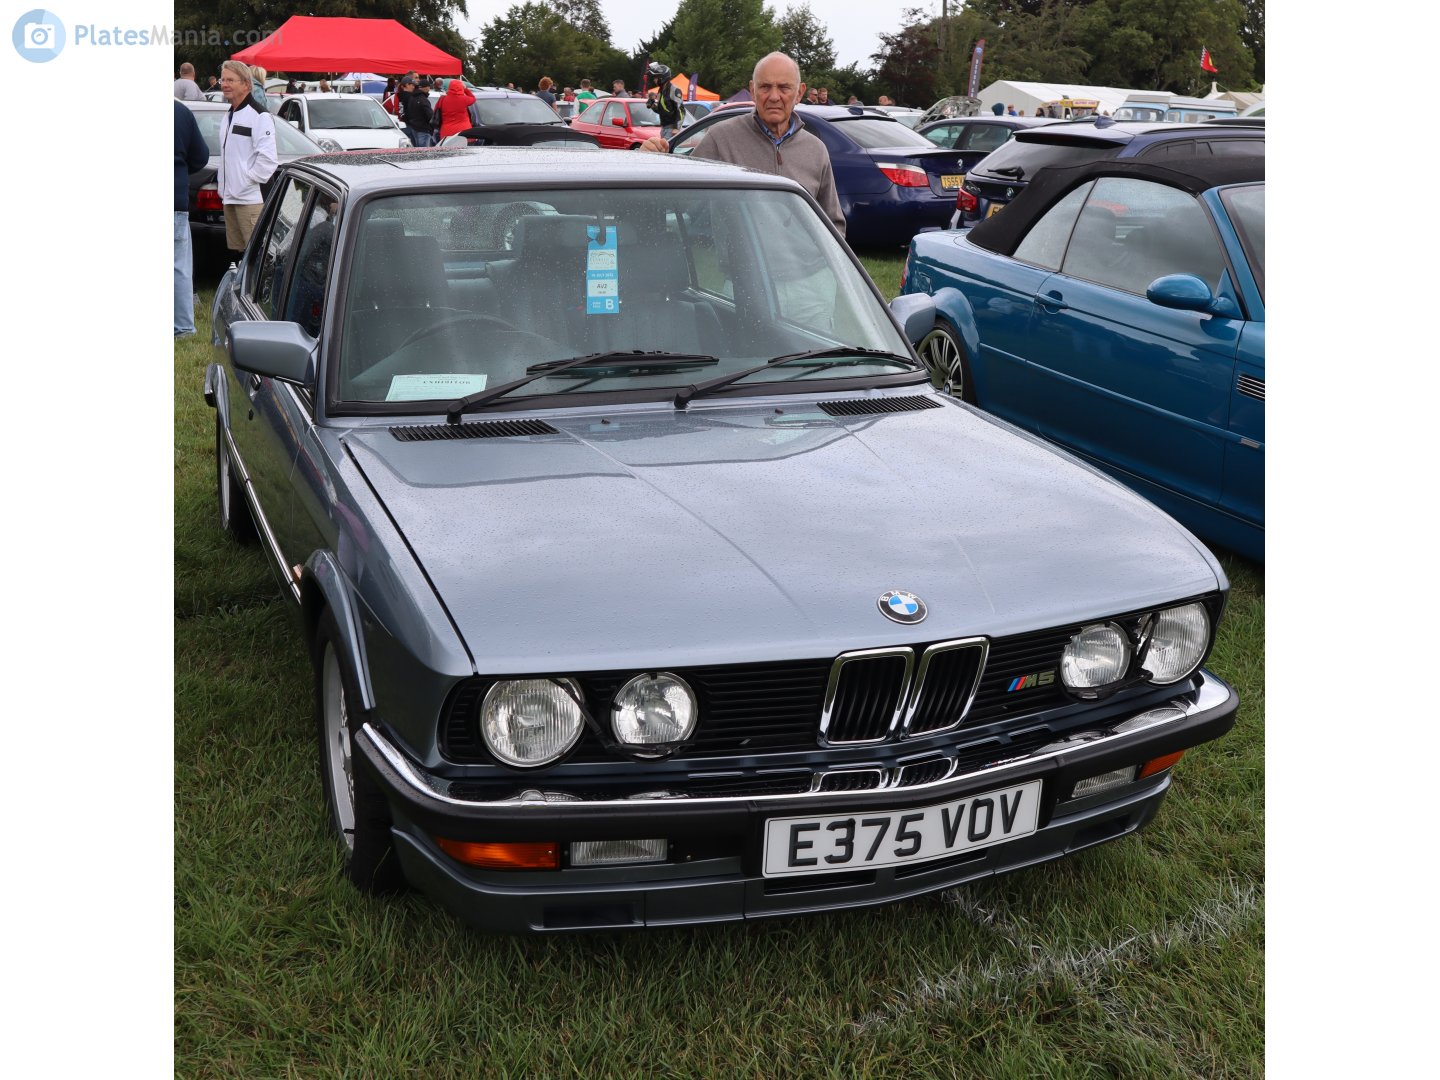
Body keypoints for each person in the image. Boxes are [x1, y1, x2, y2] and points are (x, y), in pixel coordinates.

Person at [640, 52, 842, 237]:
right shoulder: (721, 139)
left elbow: (833, 223)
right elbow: (679, 201)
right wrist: (646, 163)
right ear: (753, 90)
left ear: (799, 93)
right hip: (742, 275)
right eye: (765, 87)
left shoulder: (816, 150)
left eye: (783, 87)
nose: (774, 96)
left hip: (808, 274)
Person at [217, 60, 278, 261]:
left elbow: (268, 160)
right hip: (231, 197)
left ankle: (258, 293)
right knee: (239, 255)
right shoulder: (229, 115)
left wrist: (245, 181)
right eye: (223, 79)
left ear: (246, 84)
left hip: (250, 200)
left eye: (230, 80)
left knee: (256, 256)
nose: (224, 84)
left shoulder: (259, 115)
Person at [174, 100, 209, 337]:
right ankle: (183, 326)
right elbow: (200, 156)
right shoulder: (179, 112)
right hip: (173, 197)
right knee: (178, 266)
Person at [645, 62, 683, 138]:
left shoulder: (674, 89)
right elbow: (662, 110)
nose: (654, 80)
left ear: (662, 77)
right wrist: (652, 105)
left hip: (671, 128)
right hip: (664, 127)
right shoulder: (661, 90)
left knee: (667, 149)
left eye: (655, 77)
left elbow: (680, 110)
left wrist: (676, 128)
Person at [408, 78, 436, 147]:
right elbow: (430, 115)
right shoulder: (423, 100)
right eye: (428, 87)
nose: (429, 89)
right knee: (424, 153)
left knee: (418, 151)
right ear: (426, 87)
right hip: (424, 129)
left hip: (413, 128)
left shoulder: (412, 98)